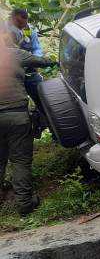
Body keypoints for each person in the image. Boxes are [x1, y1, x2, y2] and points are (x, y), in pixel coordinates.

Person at [0, 24, 53, 216]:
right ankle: (24, 203)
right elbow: (43, 61)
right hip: (16, 116)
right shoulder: (14, 54)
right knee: (20, 161)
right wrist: (53, 60)